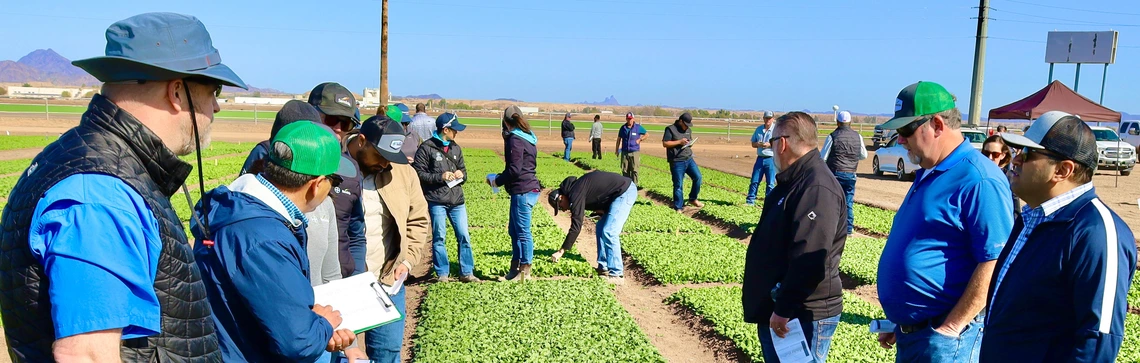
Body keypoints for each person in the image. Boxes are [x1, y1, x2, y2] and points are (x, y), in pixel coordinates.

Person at [0, 13, 241, 361]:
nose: (217, 105)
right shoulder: (99, 197)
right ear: (177, 91)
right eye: (213, 90)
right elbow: (86, 355)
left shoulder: (99, 163)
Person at [193, 122, 360, 362]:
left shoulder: (240, 209)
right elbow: (298, 342)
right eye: (334, 181)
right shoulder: (264, 238)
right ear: (317, 185)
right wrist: (322, 324)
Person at [874, 81, 1013, 362]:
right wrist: (903, 322)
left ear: (937, 124)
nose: (900, 139)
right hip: (916, 334)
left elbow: (996, 262)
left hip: (947, 341)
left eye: (906, 130)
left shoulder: (978, 178)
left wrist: (951, 327)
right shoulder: (930, 170)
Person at [982, 113, 1137, 362]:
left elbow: (1097, 341)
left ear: (1063, 170)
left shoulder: (1097, 232)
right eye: (1019, 149)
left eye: (1029, 154)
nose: (1016, 159)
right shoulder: (1031, 217)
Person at [742, 111, 847, 363]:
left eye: (773, 141)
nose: (772, 147)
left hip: (801, 314)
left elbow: (809, 258)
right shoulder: (796, 180)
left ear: (783, 142)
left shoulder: (816, 187)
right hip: (785, 310)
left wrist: (783, 308)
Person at [346, 116, 430, 362]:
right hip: (342, 284)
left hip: (386, 281)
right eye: (380, 155)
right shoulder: (333, 165)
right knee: (340, 354)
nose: (385, 163)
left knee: (387, 353)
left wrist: (407, 262)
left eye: (391, 157)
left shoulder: (403, 173)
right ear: (362, 141)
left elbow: (418, 219)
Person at [238, 100, 343, 287]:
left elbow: (331, 273)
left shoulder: (325, 206)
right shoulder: (256, 222)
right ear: (317, 183)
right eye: (332, 178)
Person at [308, 82, 368, 278]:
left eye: (346, 123)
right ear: (311, 114)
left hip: (340, 282)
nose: (338, 129)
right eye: (332, 119)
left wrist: (356, 275)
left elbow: (357, 235)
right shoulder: (274, 154)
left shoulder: (351, 170)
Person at [412, 113, 481, 283]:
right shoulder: (426, 148)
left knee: (464, 235)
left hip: (457, 200)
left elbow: (464, 173)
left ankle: (467, 272)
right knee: (439, 237)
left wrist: (460, 174)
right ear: (445, 129)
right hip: (437, 201)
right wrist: (440, 176)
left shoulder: (456, 148)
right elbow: (418, 174)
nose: (456, 133)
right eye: (454, 130)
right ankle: (442, 273)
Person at [548, 171, 637, 284]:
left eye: (560, 207)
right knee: (600, 228)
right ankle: (603, 268)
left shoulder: (575, 193)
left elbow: (576, 225)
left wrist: (561, 251)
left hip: (624, 192)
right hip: (615, 195)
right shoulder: (576, 190)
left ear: (561, 197)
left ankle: (617, 274)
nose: (563, 210)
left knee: (609, 231)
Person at [490, 105, 541, 282]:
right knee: (514, 230)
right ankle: (515, 268)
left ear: (505, 121)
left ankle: (525, 271)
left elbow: (514, 170)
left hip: (523, 190)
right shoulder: (528, 137)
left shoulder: (515, 139)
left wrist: (497, 180)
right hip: (526, 189)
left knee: (522, 232)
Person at [820, 110, 868, 235]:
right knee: (848, 202)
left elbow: (823, 157)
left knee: (833, 201)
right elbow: (863, 155)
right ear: (850, 122)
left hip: (835, 173)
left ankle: (833, 228)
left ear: (838, 122)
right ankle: (848, 229)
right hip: (851, 173)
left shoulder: (833, 136)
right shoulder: (858, 136)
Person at [662, 112, 704, 211]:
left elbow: (689, 141)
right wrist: (679, 142)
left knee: (698, 177)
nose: (687, 127)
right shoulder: (670, 129)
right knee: (678, 184)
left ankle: (693, 199)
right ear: (680, 121)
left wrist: (689, 143)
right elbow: (665, 143)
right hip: (676, 161)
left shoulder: (688, 130)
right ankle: (678, 207)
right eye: (686, 124)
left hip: (688, 159)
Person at [982, 134, 1021, 219]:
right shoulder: (975, 175)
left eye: (995, 154)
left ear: (1003, 155)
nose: (990, 157)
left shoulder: (1009, 177)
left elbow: (1015, 209)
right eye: (986, 153)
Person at [747, 110, 777, 204]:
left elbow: (780, 144)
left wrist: (769, 145)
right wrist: (758, 144)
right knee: (754, 181)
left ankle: (769, 203)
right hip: (760, 158)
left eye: (769, 118)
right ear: (763, 118)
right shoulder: (759, 129)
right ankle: (750, 201)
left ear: (773, 119)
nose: (768, 120)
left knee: (770, 183)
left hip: (771, 159)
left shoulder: (776, 130)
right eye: (766, 118)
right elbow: (753, 143)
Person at [616, 112, 648, 184]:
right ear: (626, 119)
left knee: (635, 170)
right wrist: (617, 150)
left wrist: (640, 140)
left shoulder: (638, 127)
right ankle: (626, 186)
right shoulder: (623, 128)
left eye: (630, 119)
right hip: (625, 152)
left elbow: (646, 134)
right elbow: (618, 139)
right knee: (625, 170)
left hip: (634, 152)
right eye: (628, 119)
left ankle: (634, 186)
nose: (629, 120)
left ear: (633, 119)